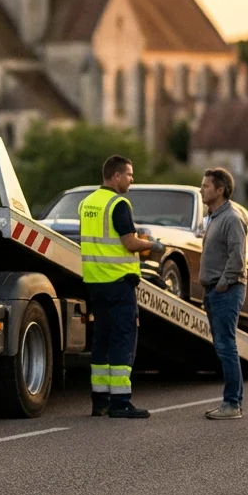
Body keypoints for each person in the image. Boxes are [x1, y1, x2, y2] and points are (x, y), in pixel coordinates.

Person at [79, 155, 163, 419]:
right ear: (116, 176)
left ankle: (99, 401)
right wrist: (153, 244)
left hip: (95, 282)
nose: (132, 179)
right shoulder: (119, 203)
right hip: (118, 283)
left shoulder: (87, 203)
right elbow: (129, 242)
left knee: (101, 340)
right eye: (128, 174)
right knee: (123, 339)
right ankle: (120, 402)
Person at [198, 166, 247, 420]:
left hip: (226, 290)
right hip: (214, 290)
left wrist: (222, 285)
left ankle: (232, 404)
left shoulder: (232, 219)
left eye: (206, 186)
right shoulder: (214, 218)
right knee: (222, 346)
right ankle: (232, 402)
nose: (201, 189)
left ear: (220, 190)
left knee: (227, 346)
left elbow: (237, 259)